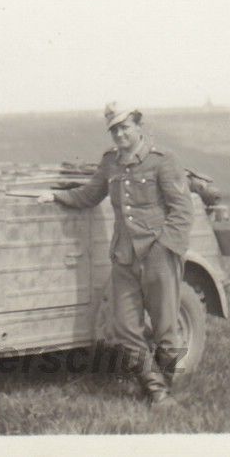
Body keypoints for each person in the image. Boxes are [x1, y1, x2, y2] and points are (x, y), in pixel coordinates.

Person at [37, 103, 193, 408]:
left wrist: (165, 248)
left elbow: (182, 212)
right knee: (125, 327)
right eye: (114, 129)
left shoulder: (163, 161)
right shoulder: (111, 163)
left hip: (158, 254)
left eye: (125, 127)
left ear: (139, 127)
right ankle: (155, 390)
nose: (120, 134)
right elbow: (90, 194)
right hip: (124, 257)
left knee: (165, 328)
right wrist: (56, 195)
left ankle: (165, 385)